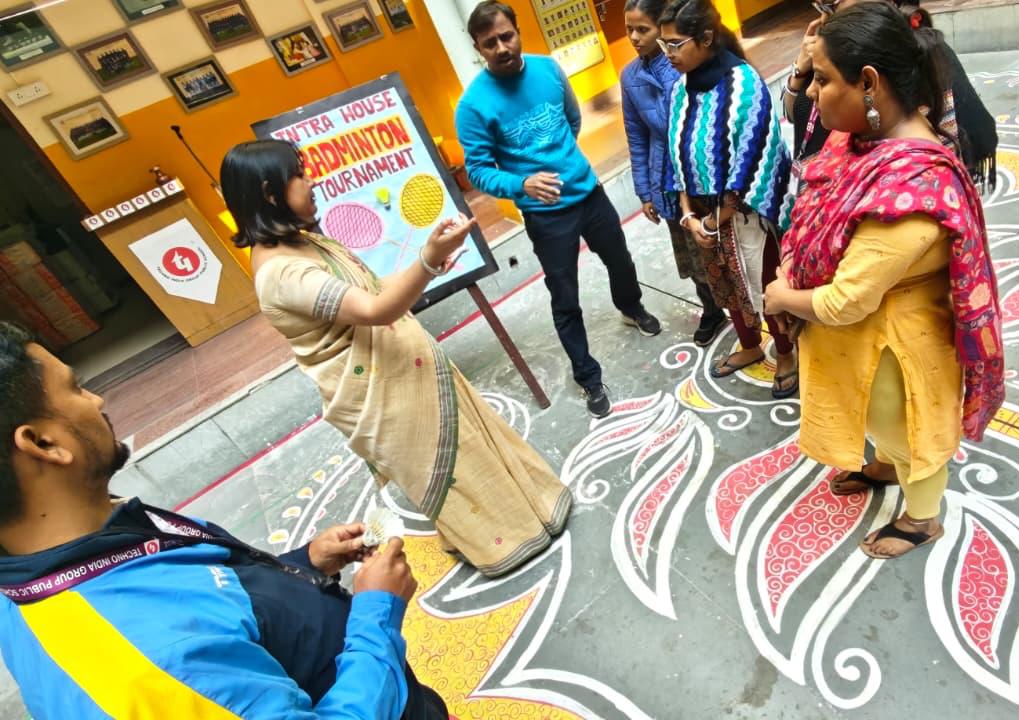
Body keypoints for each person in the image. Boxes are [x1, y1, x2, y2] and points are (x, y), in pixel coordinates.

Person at [0, 322, 447, 718]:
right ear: (42, 443)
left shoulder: (88, 543)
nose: (97, 398)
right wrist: (377, 612)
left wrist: (303, 564)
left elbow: (220, 610)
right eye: (75, 388)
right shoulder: (153, 667)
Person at [221, 140, 571, 579]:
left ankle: (534, 508)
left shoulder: (303, 243)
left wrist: (427, 263)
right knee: (450, 465)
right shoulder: (281, 272)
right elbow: (374, 310)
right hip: (383, 394)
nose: (312, 183)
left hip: (409, 369)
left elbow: (365, 288)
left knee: (473, 445)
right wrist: (426, 260)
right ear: (271, 194)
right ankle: (501, 541)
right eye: (299, 175)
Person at [764, 1, 1005, 559]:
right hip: (862, 343)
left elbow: (850, 298)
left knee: (910, 431)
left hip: (896, 345)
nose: (813, 94)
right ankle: (885, 465)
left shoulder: (912, 189)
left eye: (822, 80)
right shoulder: (863, 144)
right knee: (873, 415)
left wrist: (783, 295)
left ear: (868, 82)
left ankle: (922, 518)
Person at [455, 0, 662, 419]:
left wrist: (563, 160)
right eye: (490, 42)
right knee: (564, 295)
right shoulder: (472, 106)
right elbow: (477, 171)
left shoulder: (548, 69)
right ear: (477, 47)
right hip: (546, 215)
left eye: (506, 36)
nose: (501, 47)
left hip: (588, 192)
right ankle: (587, 374)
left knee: (620, 261)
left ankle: (631, 307)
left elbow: (570, 120)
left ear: (518, 32)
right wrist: (521, 183)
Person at [661, 0, 799, 399]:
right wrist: (689, 216)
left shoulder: (744, 84)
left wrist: (718, 218)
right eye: (664, 44)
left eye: (675, 44)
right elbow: (678, 154)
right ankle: (751, 345)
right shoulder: (680, 89)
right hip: (704, 215)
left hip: (744, 212)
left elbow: (755, 153)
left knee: (765, 281)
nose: (668, 54)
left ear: (705, 38)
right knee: (725, 286)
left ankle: (786, 351)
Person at [782, 0, 998, 190]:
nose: (825, 15)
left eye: (833, 3)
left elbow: (968, 136)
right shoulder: (825, 51)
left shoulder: (905, 183)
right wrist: (799, 71)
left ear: (869, 83)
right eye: (821, 5)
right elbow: (794, 114)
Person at [621, 0, 728, 347]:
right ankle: (712, 309)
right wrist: (645, 191)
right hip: (664, 175)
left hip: (700, 168)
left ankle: (744, 306)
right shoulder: (630, 76)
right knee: (689, 252)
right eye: (629, 30)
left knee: (721, 241)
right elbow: (636, 135)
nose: (635, 38)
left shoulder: (685, 62)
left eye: (643, 29)